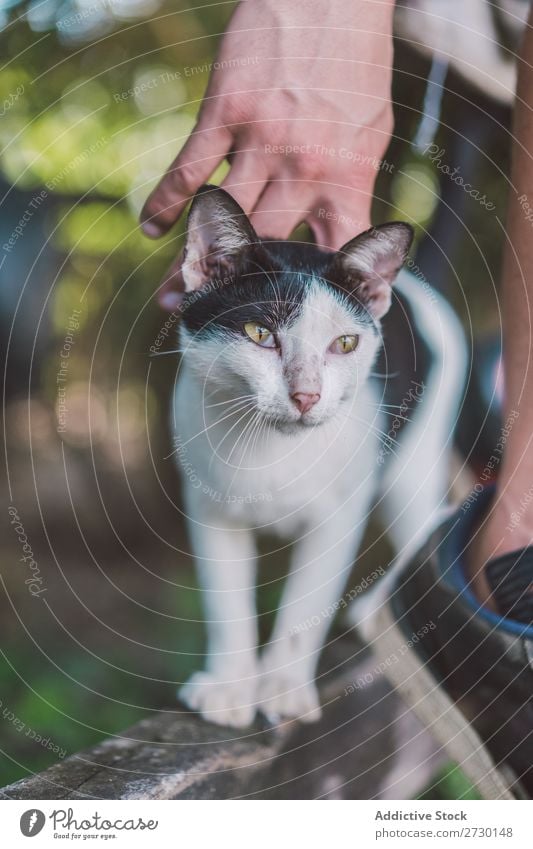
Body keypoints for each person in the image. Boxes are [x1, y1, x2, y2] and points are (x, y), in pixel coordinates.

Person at [140, 0, 533, 797]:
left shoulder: (393, 338)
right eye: (262, 341)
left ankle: (441, 585)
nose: (306, 387)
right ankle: (493, 573)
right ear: (201, 277)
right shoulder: (200, 379)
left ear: (379, 302)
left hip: (417, 363)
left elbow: (333, 519)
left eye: (338, 348)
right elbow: (214, 516)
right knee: (218, 504)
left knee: (404, 495)